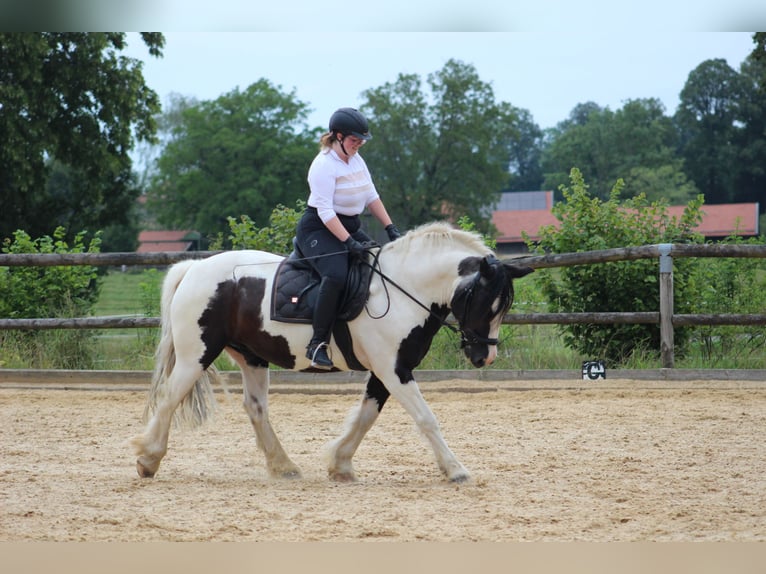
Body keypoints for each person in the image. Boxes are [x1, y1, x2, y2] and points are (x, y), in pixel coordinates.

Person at [295, 107, 401, 369]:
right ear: (338, 137)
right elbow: (325, 211)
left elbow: (371, 196)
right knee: (337, 275)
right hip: (319, 228)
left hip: (348, 225)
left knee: (378, 261)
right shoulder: (323, 165)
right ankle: (317, 344)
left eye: (361, 140)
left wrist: (390, 228)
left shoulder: (356, 159)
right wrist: (348, 242)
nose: (359, 144)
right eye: (354, 140)